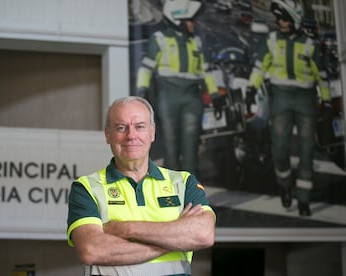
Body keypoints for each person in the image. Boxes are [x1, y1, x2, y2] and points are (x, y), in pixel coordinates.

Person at [67, 96, 216, 276]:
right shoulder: (87, 188)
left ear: (152, 132)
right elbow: (92, 250)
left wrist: (126, 229)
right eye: (121, 128)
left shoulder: (184, 183)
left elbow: (203, 234)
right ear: (107, 134)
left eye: (140, 127)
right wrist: (175, 240)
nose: (131, 135)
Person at [244, 0, 331, 216]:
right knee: (279, 148)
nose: (281, 22)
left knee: (306, 150)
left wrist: (327, 101)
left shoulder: (310, 44)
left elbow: (322, 76)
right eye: (279, 19)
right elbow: (259, 67)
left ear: (295, 19)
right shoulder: (271, 41)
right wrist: (250, 90)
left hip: (306, 100)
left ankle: (303, 199)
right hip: (281, 98)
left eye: (285, 18)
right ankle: (285, 186)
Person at [136, 0, 222, 176]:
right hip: (168, 97)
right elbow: (146, 68)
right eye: (190, 20)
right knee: (170, 143)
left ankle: (189, 192)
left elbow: (207, 71)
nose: (194, 24)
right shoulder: (159, 39)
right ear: (179, 20)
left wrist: (215, 95)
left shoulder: (196, 42)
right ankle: (170, 193)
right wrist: (142, 92)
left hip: (192, 98)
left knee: (191, 143)